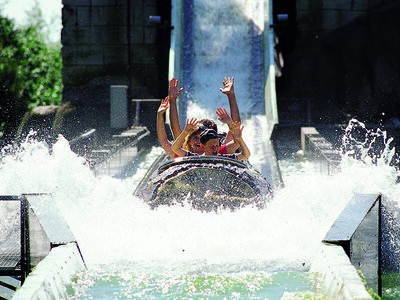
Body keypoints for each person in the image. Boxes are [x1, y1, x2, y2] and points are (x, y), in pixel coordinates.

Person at [172, 118, 250, 161]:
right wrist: (185, 133)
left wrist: (239, 139)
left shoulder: (224, 158)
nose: (215, 148)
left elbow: (245, 155)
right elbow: (175, 148)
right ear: (202, 146)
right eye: (211, 146)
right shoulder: (194, 158)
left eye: (217, 145)